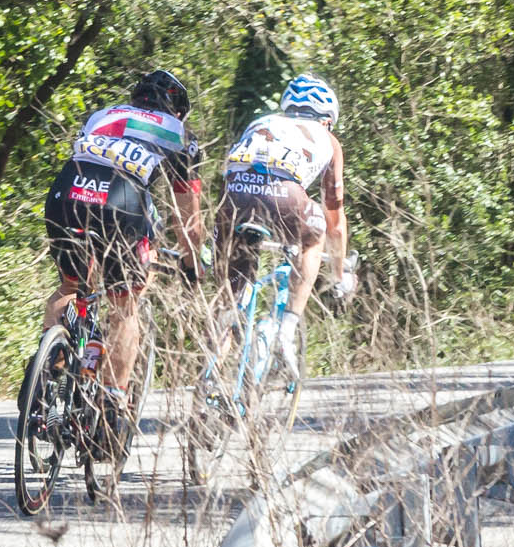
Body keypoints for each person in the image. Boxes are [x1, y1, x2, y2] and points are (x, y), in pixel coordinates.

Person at [43, 69, 205, 408]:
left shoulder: (102, 115)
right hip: (120, 203)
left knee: (71, 286)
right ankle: (112, 402)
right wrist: (192, 264)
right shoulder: (178, 132)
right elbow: (187, 219)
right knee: (124, 306)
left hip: (67, 191)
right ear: (177, 109)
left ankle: (47, 375)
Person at [215, 73, 353, 373]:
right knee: (314, 238)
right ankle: (286, 329)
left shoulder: (260, 122)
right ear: (327, 119)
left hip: (234, 198)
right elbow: (336, 220)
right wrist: (340, 273)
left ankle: (210, 373)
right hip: (285, 197)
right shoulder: (328, 139)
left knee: (231, 298)